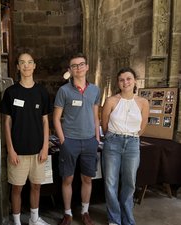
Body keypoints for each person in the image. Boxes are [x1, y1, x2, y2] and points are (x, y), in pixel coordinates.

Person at [0, 49, 52, 225]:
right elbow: (6, 123)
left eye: (29, 62)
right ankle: (16, 221)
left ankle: (34, 219)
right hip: (18, 152)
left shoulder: (42, 92)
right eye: (22, 62)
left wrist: (45, 147)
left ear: (34, 66)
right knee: (16, 188)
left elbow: (45, 122)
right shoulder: (11, 92)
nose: (26, 65)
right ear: (18, 67)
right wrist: (11, 150)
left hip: (38, 150)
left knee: (36, 186)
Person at [53, 53, 101, 225]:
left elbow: (96, 116)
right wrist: (63, 140)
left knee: (87, 178)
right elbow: (56, 118)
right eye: (74, 66)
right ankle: (67, 214)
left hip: (89, 141)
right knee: (68, 179)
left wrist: (97, 137)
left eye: (81, 64)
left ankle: (85, 211)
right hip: (70, 141)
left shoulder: (95, 90)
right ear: (70, 70)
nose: (78, 68)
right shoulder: (64, 91)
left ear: (87, 67)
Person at [101, 67, 149, 225]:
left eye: (128, 79)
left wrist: (131, 136)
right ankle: (114, 218)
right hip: (112, 142)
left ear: (135, 80)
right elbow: (105, 124)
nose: (125, 82)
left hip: (133, 144)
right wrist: (115, 137)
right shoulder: (111, 101)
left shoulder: (143, 102)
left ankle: (128, 218)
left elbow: (142, 126)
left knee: (130, 182)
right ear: (118, 83)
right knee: (110, 181)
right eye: (121, 80)